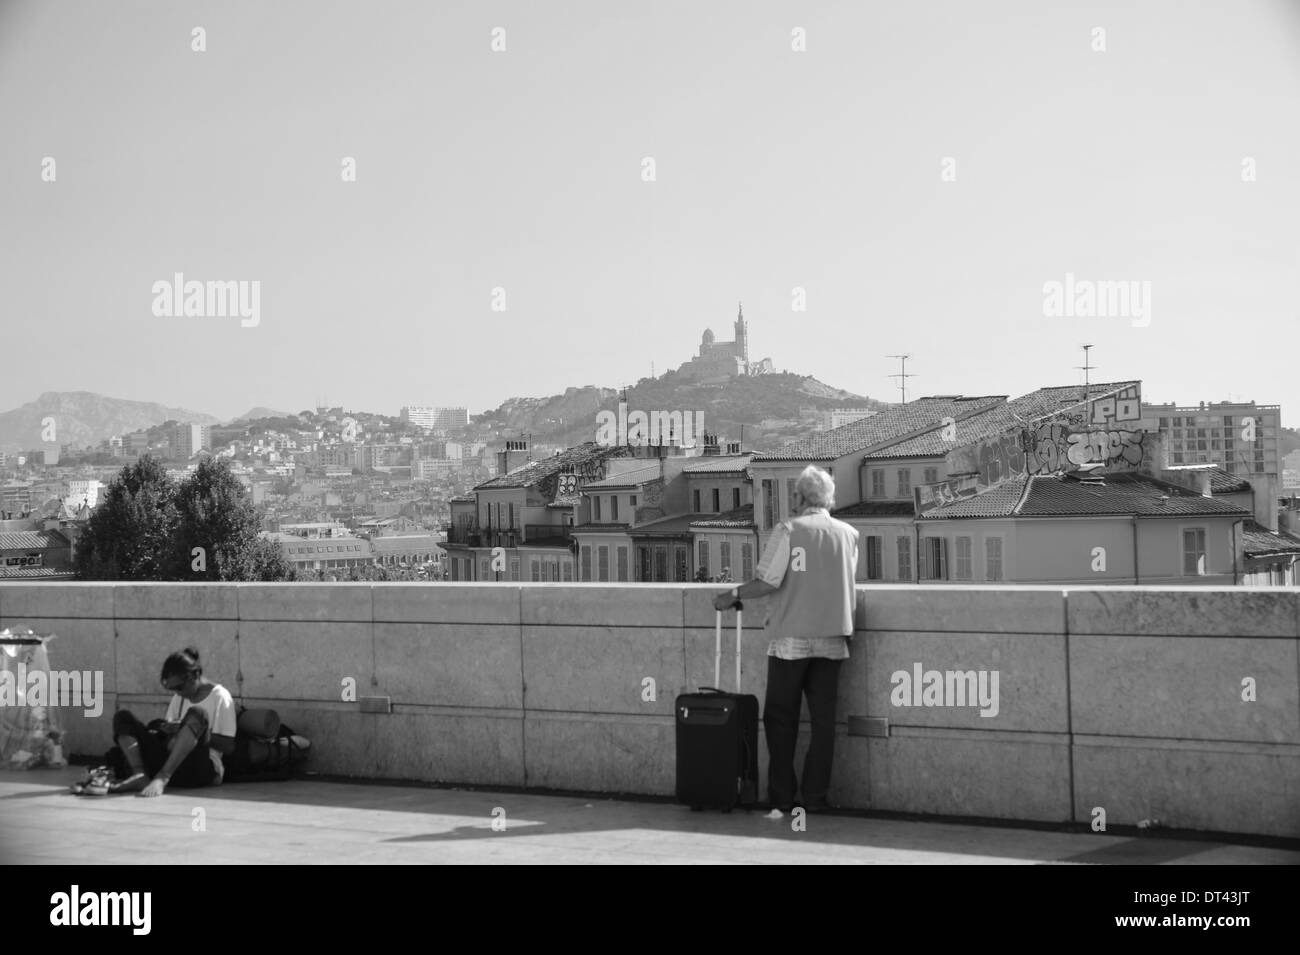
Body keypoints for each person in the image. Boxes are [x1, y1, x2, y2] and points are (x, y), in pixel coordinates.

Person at [714, 465, 858, 818]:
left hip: (791, 638)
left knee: (780, 720)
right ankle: (816, 798)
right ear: (829, 499)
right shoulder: (849, 534)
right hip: (833, 637)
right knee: (824, 725)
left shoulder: (788, 530)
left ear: (798, 497)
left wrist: (731, 593)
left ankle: (782, 797)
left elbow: (767, 581)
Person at [106, 647, 237, 797]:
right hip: (173, 761)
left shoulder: (220, 696)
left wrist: (192, 732)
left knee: (198, 714)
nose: (178, 693)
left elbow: (228, 746)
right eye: (172, 689)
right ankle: (139, 775)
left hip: (200, 767)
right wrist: (167, 729)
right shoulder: (179, 697)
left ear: (195, 676)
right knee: (123, 717)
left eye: (180, 687)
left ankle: (163, 777)